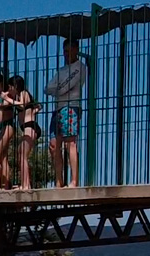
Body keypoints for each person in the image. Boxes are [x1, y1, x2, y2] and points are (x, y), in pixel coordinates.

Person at [45, 38, 87, 188]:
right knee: (53, 145)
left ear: (76, 50)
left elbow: (63, 87)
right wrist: (58, 90)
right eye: (64, 51)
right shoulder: (62, 70)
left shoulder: (79, 67)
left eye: (69, 51)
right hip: (58, 108)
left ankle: (74, 180)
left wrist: (57, 90)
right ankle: (59, 181)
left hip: (70, 106)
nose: (66, 54)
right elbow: (47, 88)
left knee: (70, 142)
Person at [9, 75, 41, 190]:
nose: (9, 89)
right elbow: (38, 106)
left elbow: (22, 105)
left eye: (10, 86)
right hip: (26, 127)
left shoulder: (23, 93)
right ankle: (25, 183)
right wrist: (34, 110)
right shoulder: (19, 96)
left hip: (30, 127)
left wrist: (7, 98)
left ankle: (26, 185)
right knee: (21, 154)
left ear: (15, 86)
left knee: (22, 154)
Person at [0, 73, 16, 190]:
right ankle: (6, 183)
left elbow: (5, 105)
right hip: (3, 126)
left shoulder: (6, 94)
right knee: (3, 156)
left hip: (7, 126)